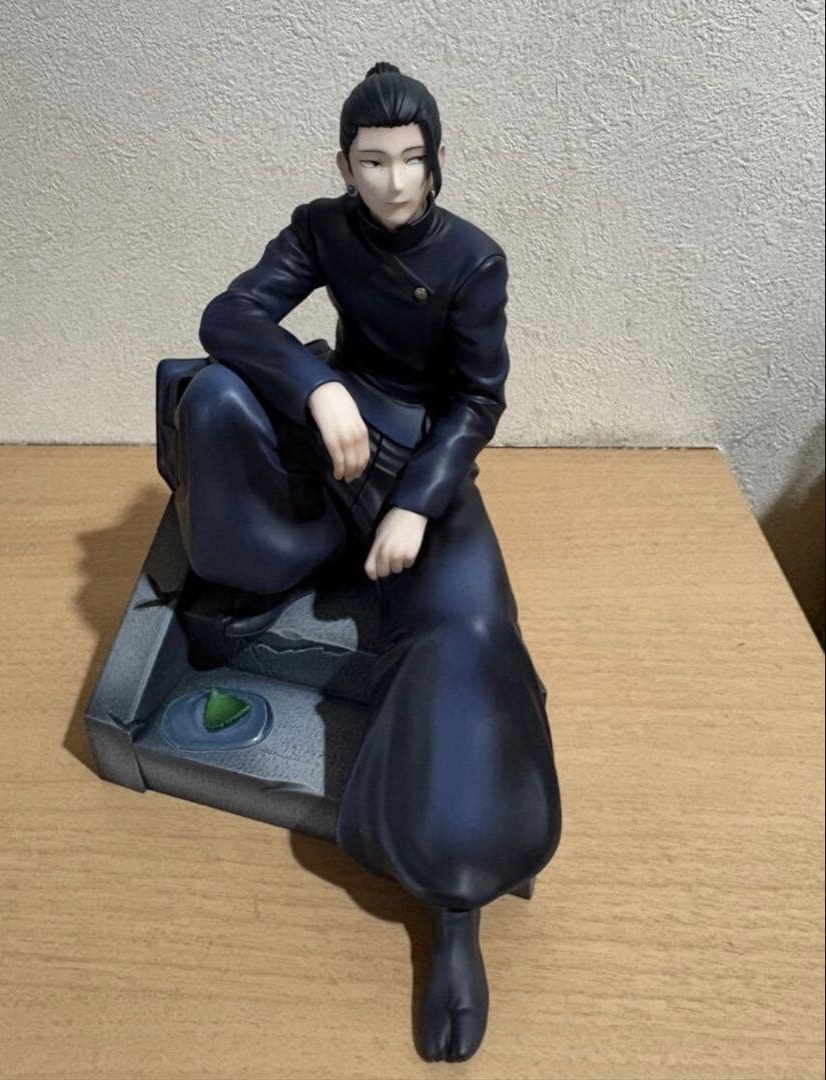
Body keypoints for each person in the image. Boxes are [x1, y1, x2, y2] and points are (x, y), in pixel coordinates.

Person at [171, 62, 562, 1063]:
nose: (392, 182)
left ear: (437, 162)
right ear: (344, 164)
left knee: (472, 633)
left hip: (417, 463)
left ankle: (455, 906)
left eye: (410, 160)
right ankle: (262, 567)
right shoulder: (320, 229)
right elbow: (228, 316)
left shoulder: (472, 260)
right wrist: (317, 387)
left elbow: (477, 401)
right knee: (212, 393)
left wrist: (419, 506)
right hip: (329, 438)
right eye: (372, 161)